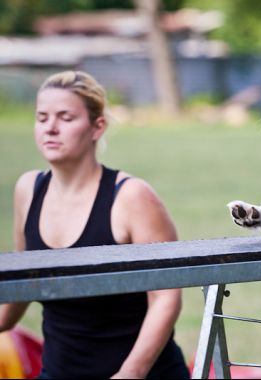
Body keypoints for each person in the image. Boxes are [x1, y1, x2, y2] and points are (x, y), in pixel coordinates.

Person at [0, 71, 190, 379]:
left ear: (96, 127)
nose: (50, 127)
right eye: (41, 117)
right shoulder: (28, 189)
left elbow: (166, 297)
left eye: (65, 117)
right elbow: (23, 281)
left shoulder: (131, 197)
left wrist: (132, 373)